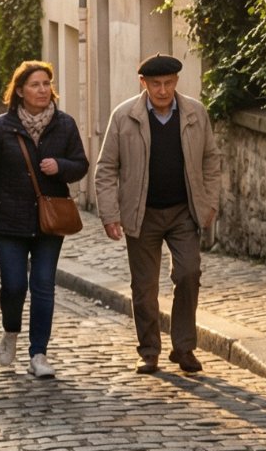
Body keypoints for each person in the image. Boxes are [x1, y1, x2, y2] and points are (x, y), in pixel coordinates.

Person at [93, 54, 223, 375]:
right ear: (144, 84)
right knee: (145, 286)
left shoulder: (195, 112)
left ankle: (184, 347)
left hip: (183, 211)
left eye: (168, 83)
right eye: (155, 84)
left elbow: (210, 160)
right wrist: (110, 214)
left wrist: (209, 203)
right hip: (142, 213)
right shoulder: (124, 117)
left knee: (188, 274)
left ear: (176, 82)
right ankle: (149, 349)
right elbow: (106, 168)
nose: (162, 90)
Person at [0, 61, 88, 379]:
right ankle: (10, 331)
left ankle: (39, 353)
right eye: (35, 84)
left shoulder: (64, 125)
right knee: (15, 285)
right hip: (8, 221)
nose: (42, 90)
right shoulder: (1, 127)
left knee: (44, 286)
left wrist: (60, 166)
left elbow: (80, 164)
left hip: (50, 221)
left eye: (46, 84)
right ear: (19, 91)